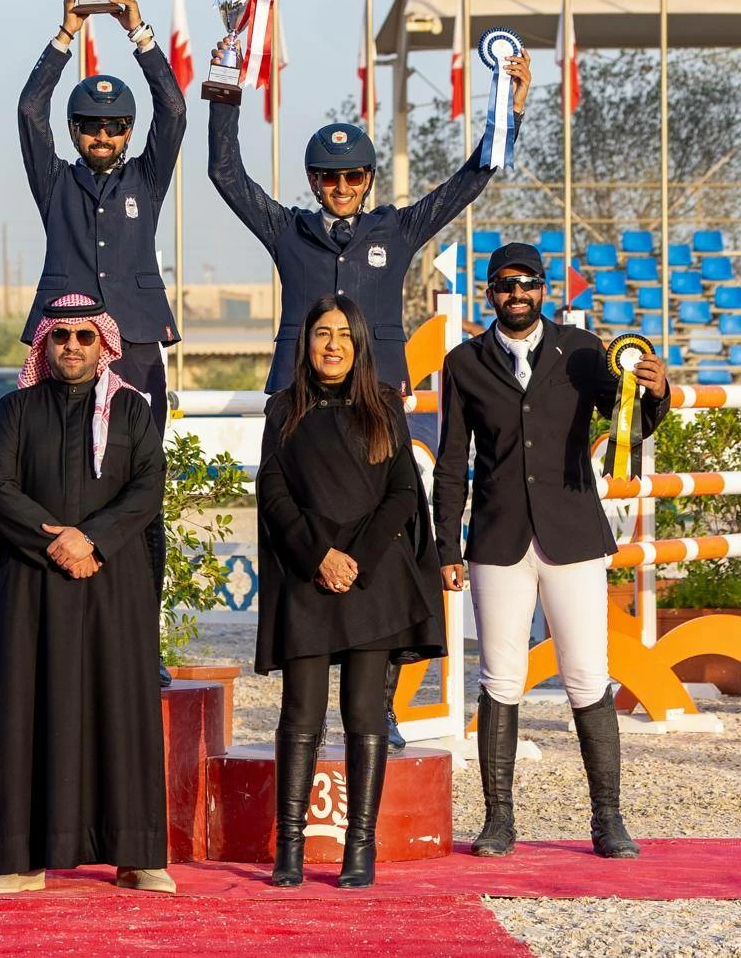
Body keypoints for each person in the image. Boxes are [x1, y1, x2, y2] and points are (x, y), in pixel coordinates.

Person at [207, 50, 531, 750]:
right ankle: (304, 703)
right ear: (314, 182)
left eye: (354, 176)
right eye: (329, 177)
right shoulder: (285, 229)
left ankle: (377, 704)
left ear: (368, 179)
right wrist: (227, 83)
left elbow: (471, 180)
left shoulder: (397, 229)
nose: (342, 186)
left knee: (387, 548)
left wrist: (511, 109)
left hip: (376, 404)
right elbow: (224, 174)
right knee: (295, 543)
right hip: (295, 407)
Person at [433, 242, 671, 861]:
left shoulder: (585, 351)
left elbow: (633, 427)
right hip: (497, 539)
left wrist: (657, 392)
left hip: (572, 535)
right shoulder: (462, 363)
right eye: (505, 285)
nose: (517, 294)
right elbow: (452, 462)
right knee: (499, 679)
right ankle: (498, 821)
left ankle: (609, 818)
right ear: (490, 293)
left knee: (588, 675)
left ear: (545, 289)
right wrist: (445, 546)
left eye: (528, 283)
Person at [18, 0, 186, 684]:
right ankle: (61, 642)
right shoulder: (53, 181)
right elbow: (29, 109)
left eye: (115, 125)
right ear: (76, 132)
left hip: (138, 347)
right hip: (66, 351)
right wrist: (66, 33)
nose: (103, 134)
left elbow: (175, 112)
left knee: (140, 493)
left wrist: (137, 31)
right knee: (58, 491)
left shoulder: (146, 179)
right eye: (90, 124)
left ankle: (138, 650)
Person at [0, 294, 173, 895]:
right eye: (61, 337)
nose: (72, 347)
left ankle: (138, 857)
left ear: (103, 344)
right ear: (45, 344)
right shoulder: (14, 409)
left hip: (114, 584)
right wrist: (55, 540)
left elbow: (147, 487)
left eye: (85, 337)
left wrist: (92, 540)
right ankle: (21, 861)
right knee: (29, 710)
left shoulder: (133, 412)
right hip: (36, 586)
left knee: (123, 709)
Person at [254, 296, 445, 889]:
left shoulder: (384, 407)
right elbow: (274, 492)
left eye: (343, 335)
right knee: (301, 715)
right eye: (320, 334)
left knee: (365, 715)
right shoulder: (284, 410)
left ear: (360, 343)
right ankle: (289, 848)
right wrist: (319, 556)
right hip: (306, 576)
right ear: (305, 342)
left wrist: (354, 558)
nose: (331, 345)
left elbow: (401, 495)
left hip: (372, 580)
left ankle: (357, 848)